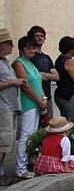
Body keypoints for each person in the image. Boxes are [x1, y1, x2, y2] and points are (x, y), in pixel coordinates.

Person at [13, 36, 47, 179]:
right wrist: (39, 101)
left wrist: (43, 99)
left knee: (32, 135)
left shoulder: (30, 63)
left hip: (36, 103)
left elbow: (38, 82)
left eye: (33, 47)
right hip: (27, 103)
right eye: (28, 47)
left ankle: (28, 164)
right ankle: (20, 168)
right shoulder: (19, 63)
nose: (32, 50)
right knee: (25, 135)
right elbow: (25, 85)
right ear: (21, 49)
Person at [0, 29, 25, 186]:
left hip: (11, 107)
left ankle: (2, 172)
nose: (11, 46)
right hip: (2, 108)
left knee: (7, 142)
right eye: (8, 43)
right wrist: (14, 82)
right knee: (3, 140)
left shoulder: (5, 62)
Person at [53, 36, 74, 120]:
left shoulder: (59, 59)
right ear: (71, 48)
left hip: (60, 94)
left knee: (65, 122)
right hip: (71, 96)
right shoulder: (69, 62)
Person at [27, 26, 58, 114]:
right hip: (34, 97)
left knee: (49, 124)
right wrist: (41, 75)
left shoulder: (46, 57)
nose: (40, 38)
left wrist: (41, 74)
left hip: (47, 97)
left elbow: (56, 76)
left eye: (42, 36)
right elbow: (31, 76)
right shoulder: (30, 57)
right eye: (37, 36)